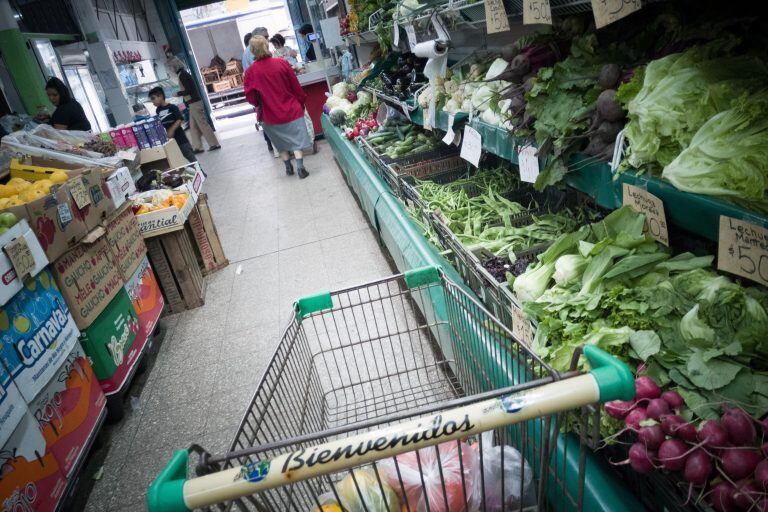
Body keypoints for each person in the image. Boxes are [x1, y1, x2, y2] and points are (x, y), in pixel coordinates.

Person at [244, 36, 311, 179]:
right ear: (267, 46)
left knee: (280, 142)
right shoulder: (281, 63)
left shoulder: (250, 72)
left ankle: (288, 167)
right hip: (291, 109)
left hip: (269, 114)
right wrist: (301, 102)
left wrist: (259, 103)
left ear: (252, 51)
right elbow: (295, 86)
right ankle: (300, 167)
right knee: (297, 139)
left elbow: (250, 98)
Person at [167, 56, 220, 153]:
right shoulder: (183, 74)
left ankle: (214, 143)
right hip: (193, 103)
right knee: (193, 126)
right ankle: (197, 147)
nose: (170, 70)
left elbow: (189, 90)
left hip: (194, 103)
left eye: (171, 67)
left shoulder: (182, 75)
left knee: (202, 124)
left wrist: (178, 93)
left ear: (174, 67)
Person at [243, 27, 277, 157]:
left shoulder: (248, 51)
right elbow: (261, 71)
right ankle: (273, 142)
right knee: (268, 117)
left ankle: (271, 142)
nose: (268, 39)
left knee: (266, 117)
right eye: (266, 37)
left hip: (260, 91)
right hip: (262, 91)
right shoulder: (253, 52)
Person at [148, 86, 197, 163]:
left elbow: (179, 119)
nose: (152, 102)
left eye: (153, 98)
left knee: (190, 158)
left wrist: (171, 130)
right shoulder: (158, 110)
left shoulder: (172, 107)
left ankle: (201, 173)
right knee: (178, 160)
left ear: (160, 96)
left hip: (181, 139)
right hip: (170, 141)